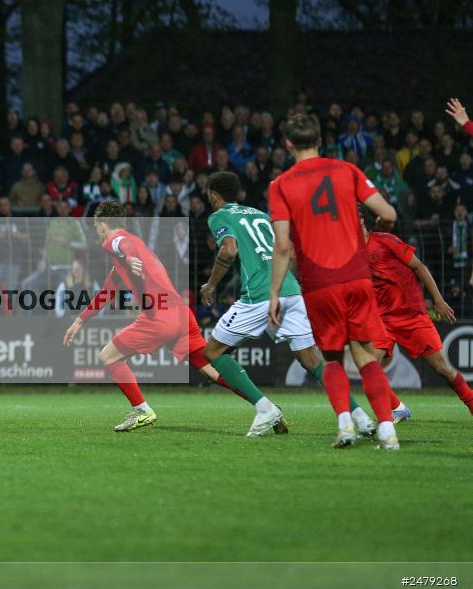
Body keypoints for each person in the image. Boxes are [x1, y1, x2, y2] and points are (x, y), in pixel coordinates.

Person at [62, 201, 275, 433]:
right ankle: (266, 406)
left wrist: (130, 257)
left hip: (159, 316)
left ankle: (142, 410)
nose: (96, 229)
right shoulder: (132, 254)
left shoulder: (116, 241)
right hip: (183, 315)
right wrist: (79, 321)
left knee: (109, 357)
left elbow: (123, 244)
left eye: (96, 225)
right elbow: (106, 293)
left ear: (103, 224)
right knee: (211, 372)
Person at [200, 172, 376, 437]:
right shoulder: (259, 214)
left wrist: (211, 285)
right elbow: (289, 249)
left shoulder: (219, 216)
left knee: (212, 352)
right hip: (291, 291)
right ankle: (361, 418)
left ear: (214, 195)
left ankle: (265, 408)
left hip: (259, 295)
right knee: (312, 360)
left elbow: (229, 250)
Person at [268, 114, 400, 450]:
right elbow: (389, 214)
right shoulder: (347, 171)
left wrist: (273, 294)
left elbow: (282, 245)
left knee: (331, 360)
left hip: (319, 283)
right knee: (367, 356)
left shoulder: (280, 185)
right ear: (320, 140)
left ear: (287, 144)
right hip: (356, 276)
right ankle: (387, 430)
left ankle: (345, 425)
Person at [361, 214, 473, 418]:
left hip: (410, 314)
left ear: (360, 221)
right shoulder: (349, 254)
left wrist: (438, 300)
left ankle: (471, 401)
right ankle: (397, 409)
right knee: (369, 366)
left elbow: (419, 266)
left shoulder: (385, 241)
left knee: (442, 368)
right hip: (382, 320)